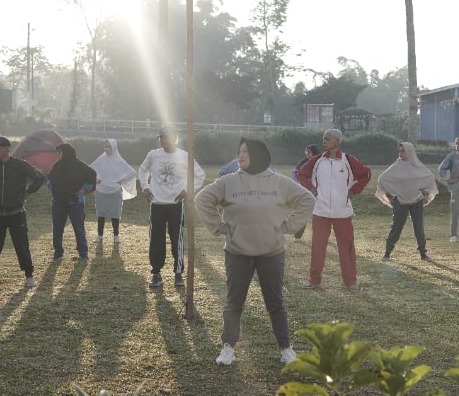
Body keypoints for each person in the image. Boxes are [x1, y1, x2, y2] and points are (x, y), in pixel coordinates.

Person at [195, 138, 315, 366]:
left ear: (259, 155)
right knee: (234, 301)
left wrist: (289, 226)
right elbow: (203, 199)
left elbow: (307, 199)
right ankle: (228, 347)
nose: (240, 156)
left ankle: (285, 349)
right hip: (237, 252)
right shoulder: (229, 181)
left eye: (246, 152)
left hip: (271, 252)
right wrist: (218, 227)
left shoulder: (278, 182)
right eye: (239, 152)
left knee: (275, 302)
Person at [297, 129, 371, 291]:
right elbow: (301, 174)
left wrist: (353, 191)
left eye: (327, 139)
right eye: (323, 139)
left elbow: (366, 174)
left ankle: (351, 282)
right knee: (318, 246)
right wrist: (311, 188)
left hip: (342, 211)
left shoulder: (348, 160)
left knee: (347, 247)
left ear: (337, 141)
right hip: (320, 210)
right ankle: (314, 280)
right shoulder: (317, 161)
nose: (324, 141)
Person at [139, 125, 206, 288]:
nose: (163, 140)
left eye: (166, 137)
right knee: (156, 239)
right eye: (161, 137)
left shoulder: (184, 156)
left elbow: (200, 175)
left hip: (175, 204)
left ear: (175, 138)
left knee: (177, 238)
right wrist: (145, 188)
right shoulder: (153, 155)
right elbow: (142, 170)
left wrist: (187, 191)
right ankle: (156, 273)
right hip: (157, 203)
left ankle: (178, 273)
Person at [0, 136, 45, 287]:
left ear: (6, 149)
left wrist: (28, 192)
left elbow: (39, 178)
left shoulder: (20, 165)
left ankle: (29, 276)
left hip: (16, 213)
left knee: (21, 245)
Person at [376, 142, 439, 262]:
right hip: (400, 201)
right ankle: (387, 253)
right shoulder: (396, 166)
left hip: (417, 201)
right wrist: (390, 196)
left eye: (403, 151)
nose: (400, 153)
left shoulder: (417, 165)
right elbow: (383, 179)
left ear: (409, 151)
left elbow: (428, 177)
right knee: (396, 227)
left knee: (419, 227)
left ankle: (423, 254)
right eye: (399, 151)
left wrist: (425, 193)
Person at [48, 142, 97, 261]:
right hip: (59, 202)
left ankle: (83, 254)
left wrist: (84, 189)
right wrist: (55, 190)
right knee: (57, 228)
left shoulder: (79, 166)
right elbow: (50, 179)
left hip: (75, 202)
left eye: (59, 152)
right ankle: (58, 253)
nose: (58, 154)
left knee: (79, 228)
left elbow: (92, 175)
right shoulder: (57, 166)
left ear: (66, 153)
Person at [90, 139, 138, 243]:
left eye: (109, 147)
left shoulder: (119, 161)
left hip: (115, 192)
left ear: (114, 148)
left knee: (115, 214)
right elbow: (90, 170)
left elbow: (132, 173)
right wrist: (95, 179)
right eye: (105, 146)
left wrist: (120, 181)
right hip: (101, 191)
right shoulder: (101, 160)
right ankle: (99, 235)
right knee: (101, 214)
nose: (106, 149)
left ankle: (116, 235)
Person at [290, 144, 320, 242]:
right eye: (306, 151)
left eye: (309, 152)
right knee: (304, 213)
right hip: (306, 191)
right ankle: (298, 236)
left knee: (320, 215)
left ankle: (320, 235)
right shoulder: (303, 162)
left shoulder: (320, 162)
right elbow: (296, 174)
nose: (307, 153)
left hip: (319, 192)